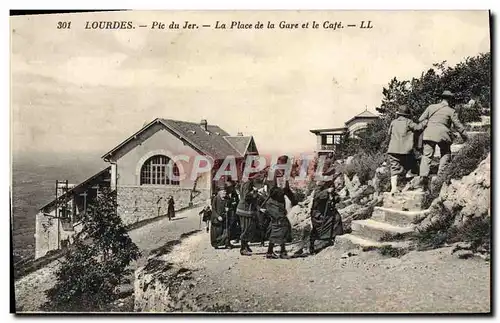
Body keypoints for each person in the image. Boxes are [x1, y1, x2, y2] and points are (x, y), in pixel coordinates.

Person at [417, 90, 468, 191]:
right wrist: (466, 136)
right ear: (450, 100)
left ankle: (423, 180)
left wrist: (430, 123)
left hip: (429, 134)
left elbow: (420, 119)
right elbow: (458, 126)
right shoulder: (451, 111)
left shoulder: (431, 107)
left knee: (427, 156)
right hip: (443, 135)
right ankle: (440, 177)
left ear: (442, 98)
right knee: (445, 153)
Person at [386, 105, 428, 194]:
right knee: (411, 166)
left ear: (399, 114)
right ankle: (409, 184)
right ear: (407, 114)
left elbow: (389, 133)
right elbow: (418, 128)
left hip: (392, 150)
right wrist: (425, 122)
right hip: (405, 150)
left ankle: (393, 188)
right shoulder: (408, 122)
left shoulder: (393, 122)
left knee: (394, 169)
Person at [263, 157, 297, 259]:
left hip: (279, 205)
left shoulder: (283, 174)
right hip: (273, 204)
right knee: (280, 225)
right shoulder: (272, 174)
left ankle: (275, 251)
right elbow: (272, 191)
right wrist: (281, 191)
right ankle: (279, 252)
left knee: (282, 226)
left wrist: (294, 201)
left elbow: (286, 189)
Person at [309, 180, 344, 255]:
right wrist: (327, 191)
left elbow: (336, 196)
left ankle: (335, 237)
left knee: (337, 218)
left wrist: (335, 197)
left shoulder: (330, 185)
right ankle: (313, 246)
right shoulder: (318, 188)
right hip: (319, 214)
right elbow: (317, 196)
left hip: (328, 212)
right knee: (317, 230)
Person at [236, 175, 259, 256]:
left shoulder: (244, 182)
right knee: (246, 229)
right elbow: (246, 196)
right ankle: (243, 249)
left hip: (243, 209)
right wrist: (255, 192)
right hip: (245, 210)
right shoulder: (248, 183)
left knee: (247, 228)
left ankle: (245, 245)